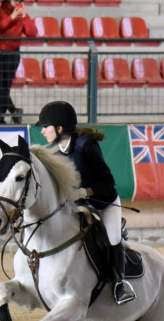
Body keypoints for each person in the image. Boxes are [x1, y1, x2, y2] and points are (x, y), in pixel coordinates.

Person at [36, 100, 134, 305]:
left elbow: (108, 182)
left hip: (103, 202)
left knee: (113, 239)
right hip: (78, 205)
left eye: (46, 126)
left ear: (59, 128)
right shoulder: (54, 150)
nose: (43, 131)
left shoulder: (85, 146)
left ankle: (120, 284)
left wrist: (84, 191)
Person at [0, 0, 37, 124]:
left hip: (13, 54)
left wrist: (24, 18)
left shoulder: (22, 15)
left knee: (6, 86)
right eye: (14, 2)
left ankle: (1, 115)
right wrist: (12, 17)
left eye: (20, 2)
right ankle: (11, 112)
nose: (16, 5)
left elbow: (32, 33)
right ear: (9, 0)